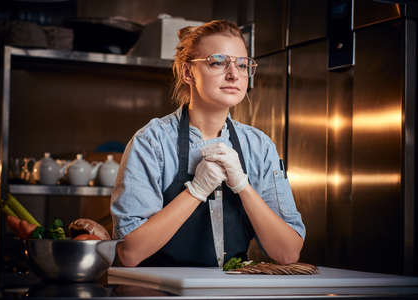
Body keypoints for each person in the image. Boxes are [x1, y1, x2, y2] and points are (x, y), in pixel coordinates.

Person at [111, 20, 305, 267]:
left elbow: (288, 253)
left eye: (242, 65)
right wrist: (196, 191)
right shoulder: (153, 142)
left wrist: (243, 185)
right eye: (218, 62)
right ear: (188, 72)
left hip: (229, 291)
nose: (234, 74)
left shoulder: (259, 146)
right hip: (158, 290)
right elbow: (130, 253)